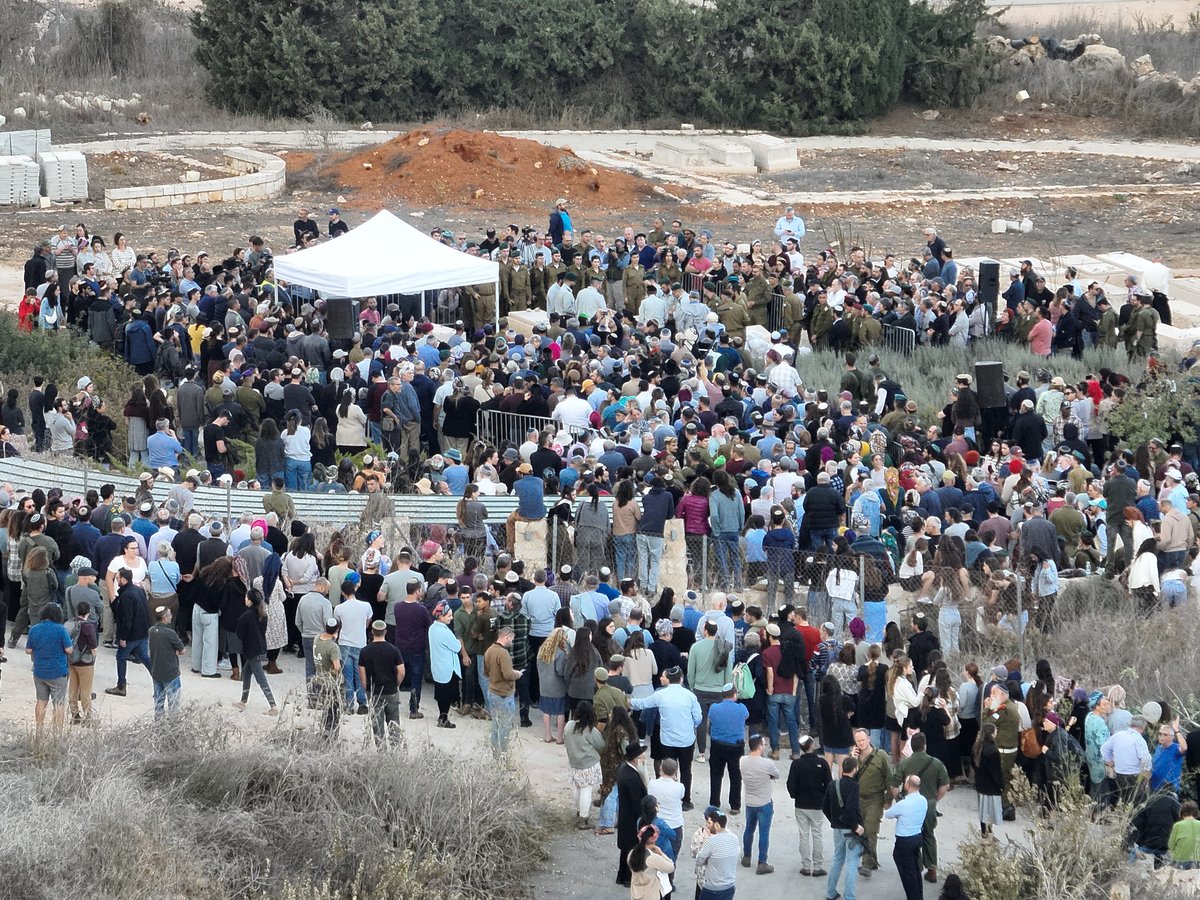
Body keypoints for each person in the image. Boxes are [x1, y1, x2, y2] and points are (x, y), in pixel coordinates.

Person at [631, 666, 702, 810]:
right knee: (686, 770)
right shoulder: (690, 696)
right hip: (686, 739)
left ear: (668, 679)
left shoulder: (661, 695)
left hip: (667, 740)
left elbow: (643, 704)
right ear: (681, 679)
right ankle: (686, 800)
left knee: (669, 768)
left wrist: (628, 701)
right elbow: (698, 718)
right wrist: (690, 726)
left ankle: (668, 797)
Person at [893, 732, 950, 883]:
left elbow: (893, 785)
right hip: (929, 804)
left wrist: (899, 799)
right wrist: (934, 800)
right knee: (929, 835)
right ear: (925, 745)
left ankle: (916, 866)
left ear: (911, 747)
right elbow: (945, 785)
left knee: (913, 835)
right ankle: (932, 869)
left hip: (910, 806)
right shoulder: (936, 763)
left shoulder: (904, 764)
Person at [786, 733, 831, 876]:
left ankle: (806, 865)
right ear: (812, 746)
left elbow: (790, 784)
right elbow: (828, 784)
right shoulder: (822, 763)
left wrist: (795, 796)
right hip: (817, 804)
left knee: (803, 835)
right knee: (817, 834)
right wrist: (824, 797)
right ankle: (818, 866)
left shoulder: (796, 764)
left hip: (801, 804)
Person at [822, 754, 866, 900]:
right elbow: (851, 809)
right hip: (851, 830)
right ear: (854, 769)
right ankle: (849, 896)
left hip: (837, 828)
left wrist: (834, 820)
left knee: (837, 859)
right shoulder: (854, 786)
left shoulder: (833, 785)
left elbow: (824, 807)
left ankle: (830, 892)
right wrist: (856, 827)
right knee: (852, 862)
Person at [850, 727, 892, 878]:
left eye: (863, 740)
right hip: (858, 799)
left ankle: (867, 863)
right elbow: (845, 777)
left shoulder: (881, 756)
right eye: (858, 741)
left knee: (870, 831)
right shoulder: (854, 757)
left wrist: (889, 799)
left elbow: (890, 778)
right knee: (858, 830)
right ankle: (871, 860)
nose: (861, 744)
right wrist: (851, 760)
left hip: (875, 798)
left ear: (869, 739)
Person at [105, 567, 153, 697]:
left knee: (121, 657)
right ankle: (160, 679)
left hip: (131, 635)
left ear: (124, 579)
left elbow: (126, 619)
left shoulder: (126, 596)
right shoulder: (138, 591)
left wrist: (123, 638)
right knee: (144, 657)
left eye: (118, 578)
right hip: (142, 632)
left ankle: (121, 686)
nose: (116, 580)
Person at [26, 604, 72, 735]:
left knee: (41, 701)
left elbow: (28, 650)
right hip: (58, 672)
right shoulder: (61, 630)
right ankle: (57, 733)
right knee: (59, 703)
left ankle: (39, 730)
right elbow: (69, 649)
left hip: (39, 671)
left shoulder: (34, 629)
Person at [358, 619, 406, 746]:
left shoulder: (365, 651)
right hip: (391, 691)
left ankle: (381, 750)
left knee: (377, 725)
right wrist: (396, 684)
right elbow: (401, 671)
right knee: (394, 723)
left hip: (374, 692)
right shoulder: (394, 650)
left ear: (372, 632)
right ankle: (395, 749)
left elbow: (362, 675)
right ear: (385, 631)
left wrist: (367, 688)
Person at [739, 733, 779, 875]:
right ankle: (762, 862)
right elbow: (777, 774)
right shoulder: (767, 763)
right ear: (760, 746)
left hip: (750, 802)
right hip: (764, 802)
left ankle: (747, 856)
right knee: (764, 832)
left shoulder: (743, 760)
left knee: (749, 829)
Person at [234, 587, 278, 715]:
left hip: (251, 649)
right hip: (259, 647)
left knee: (260, 677)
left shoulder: (246, 616)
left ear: (250, 600)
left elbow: (240, 633)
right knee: (246, 673)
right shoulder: (262, 614)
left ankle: (273, 705)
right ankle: (243, 701)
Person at [885, 774, 929, 900]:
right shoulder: (923, 800)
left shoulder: (904, 803)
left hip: (904, 840)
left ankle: (914, 897)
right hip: (917, 836)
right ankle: (918, 895)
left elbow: (888, 814)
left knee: (907, 873)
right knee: (914, 869)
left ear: (908, 785)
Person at [707, 682, 749, 813]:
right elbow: (746, 717)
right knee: (736, 775)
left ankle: (714, 803)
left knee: (716, 774)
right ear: (735, 694)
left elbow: (710, 722)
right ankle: (735, 805)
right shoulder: (742, 708)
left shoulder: (714, 708)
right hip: (736, 746)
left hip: (717, 745)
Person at [564, 700, 606, 830]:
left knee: (578, 788)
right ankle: (584, 818)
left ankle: (578, 811)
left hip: (574, 763)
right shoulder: (590, 731)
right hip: (589, 764)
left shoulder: (569, 726)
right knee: (586, 790)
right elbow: (601, 746)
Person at [334, 576, 372, 715]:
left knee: (347, 675)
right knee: (361, 674)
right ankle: (362, 703)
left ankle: (348, 703)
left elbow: (338, 624)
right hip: (360, 642)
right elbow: (368, 622)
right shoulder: (366, 606)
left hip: (345, 642)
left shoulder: (339, 608)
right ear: (355, 589)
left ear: (343, 593)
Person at [484, 625, 522, 756]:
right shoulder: (503, 653)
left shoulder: (489, 650)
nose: (512, 642)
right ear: (508, 636)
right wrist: (517, 674)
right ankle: (504, 756)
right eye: (512, 639)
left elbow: (485, 672)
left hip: (492, 691)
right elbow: (507, 675)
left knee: (496, 724)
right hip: (503, 694)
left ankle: (496, 754)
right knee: (505, 727)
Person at [616, 742, 650, 887]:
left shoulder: (624, 769)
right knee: (632, 849)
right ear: (636, 759)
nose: (645, 761)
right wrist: (645, 818)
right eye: (643, 758)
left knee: (625, 850)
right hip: (631, 820)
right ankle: (628, 879)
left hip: (625, 816)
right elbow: (637, 803)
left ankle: (621, 876)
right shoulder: (632, 777)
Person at [1102, 714, 1153, 804]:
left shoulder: (1118, 735)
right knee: (1136, 802)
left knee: (1123, 800)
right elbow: (1145, 759)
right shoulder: (1139, 739)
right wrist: (1146, 774)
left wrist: (1110, 761)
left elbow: (1104, 749)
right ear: (1142, 727)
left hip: (1119, 774)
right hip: (1134, 776)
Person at [428, 600, 463, 729]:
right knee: (447, 696)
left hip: (438, 666)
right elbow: (457, 647)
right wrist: (458, 641)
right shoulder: (444, 631)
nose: (451, 617)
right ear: (440, 616)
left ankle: (442, 717)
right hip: (448, 668)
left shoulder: (432, 628)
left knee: (440, 694)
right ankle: (444, 718)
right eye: (449, 615)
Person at [147, 605, 185, 720]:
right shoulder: (170, 633)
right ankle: (173, 726)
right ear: (164, 618)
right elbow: (182, 650)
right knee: (173, 704)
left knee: (158, 702)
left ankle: (158, 725)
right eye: (169, 615)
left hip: (156, 671)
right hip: (170, 673)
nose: (171, 617)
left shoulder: (151, 631)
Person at [64, 599, 98, 725]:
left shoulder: (70, 623)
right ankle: (88, 717)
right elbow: (93, 646)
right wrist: (94, 658)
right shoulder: (87, 626)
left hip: (72, 660)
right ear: (88, 612)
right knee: (85, 690)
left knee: (73, 688)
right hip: (85, 662)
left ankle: (74, 715)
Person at [694, 807, 740, 900]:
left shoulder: (711, 841)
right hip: (729, 885)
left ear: (717, 825)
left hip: (713, 887)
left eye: (709, 823)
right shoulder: (734, 838)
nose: (707, 825)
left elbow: (699, 860)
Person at [312, 617, 343, 740]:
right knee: (334, 712)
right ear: (337, 630)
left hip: (319, 678)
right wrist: (336, 675)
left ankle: (323, 732)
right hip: (330, 683)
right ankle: (331, 736)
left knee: (325, 709)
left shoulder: (317, 639)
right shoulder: (333, 647)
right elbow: (337, 666)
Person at [628, 821, 675, 900]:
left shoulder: (632, 853)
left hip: (636, 894)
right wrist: (661, 854)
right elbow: (671, 867)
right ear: (654, 839)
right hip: (651, 895)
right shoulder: (653, 858)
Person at [973, 722, 1004, 837]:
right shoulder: (992, 750)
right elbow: (995, 771)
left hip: (980, 782)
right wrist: (1001, 784)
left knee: (983, 810)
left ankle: (984, 832)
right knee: (991, 811)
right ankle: (989, 832)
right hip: (991, 785)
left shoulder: (977, 746)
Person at [1169, 800, 1200, 869]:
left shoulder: (1177, 825)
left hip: (1180, 860)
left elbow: (1170, 845)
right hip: (1197, 860)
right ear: (1196, 813)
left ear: (1182, 813)